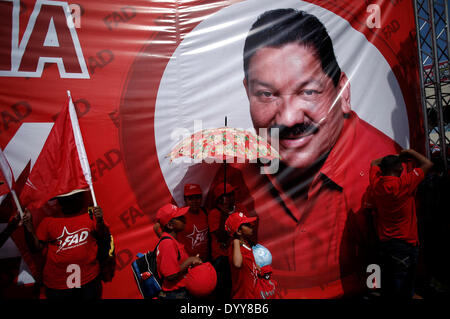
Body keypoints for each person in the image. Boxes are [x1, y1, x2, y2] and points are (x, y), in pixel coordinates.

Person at [211, 8, 401, 298]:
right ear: (247, 92)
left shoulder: (382, 168)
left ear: (343, 91)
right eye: (266, 94)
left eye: (308, 92)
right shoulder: (237, 173)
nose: (288, 118)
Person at [21, 189, 109, 299]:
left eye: (78, 196)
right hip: (58, 285)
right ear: (60, 201)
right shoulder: (49, 221)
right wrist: (28, 225)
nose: (76, 199)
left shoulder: (90, 215)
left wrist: (100, 221)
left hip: (88, 280)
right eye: (67, 199)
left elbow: (103, 236)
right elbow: (35, 248)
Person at [369, 149, 433, 299]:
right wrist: (408, 152)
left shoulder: (377, 184)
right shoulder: (404, 183)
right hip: (405, 245)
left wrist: (396, 158)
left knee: (389, 287)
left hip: (386, 244)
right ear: (399, 168)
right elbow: (428, 163)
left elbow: (374, 163)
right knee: (403, 290)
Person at [155, 203, 202, 299]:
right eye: (180, 217)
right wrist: (190, 260)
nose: (184, 219)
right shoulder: (168, 243)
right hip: (176, 294)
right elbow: (170, 275)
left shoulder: (171, 239)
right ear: (170, 225)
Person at [154, 184, 209, 261]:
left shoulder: (205, 212)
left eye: (197, 197)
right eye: (190, 199)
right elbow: (156, 226)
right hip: (187, 262)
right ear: (185, 200)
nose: (195, 201)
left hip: (205, 258)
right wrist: (169, 243)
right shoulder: (179, 214)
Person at [225, 211, 261, 299]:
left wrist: (255, 266)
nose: (251, 226)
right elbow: (237, 263)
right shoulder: (235, 246)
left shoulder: (246, 243)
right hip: (242, 295)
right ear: (238, 231)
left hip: (251, 292)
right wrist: (236, 242)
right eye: (247, 225)